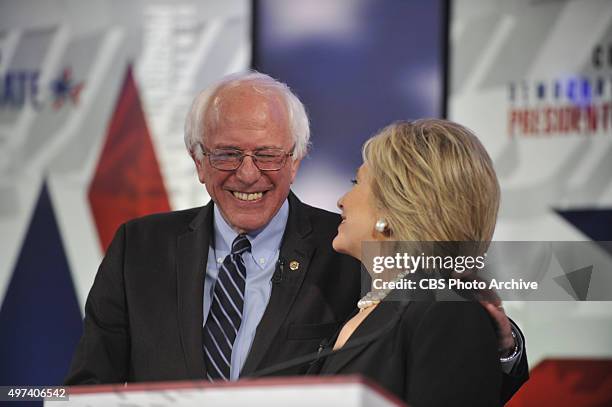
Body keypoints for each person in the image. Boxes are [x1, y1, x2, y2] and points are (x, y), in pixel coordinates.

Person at [65, 73, 525, 394]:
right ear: (197, 160)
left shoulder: (350, 252)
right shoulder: (139, 248)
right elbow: (87, 387)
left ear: (296, 158)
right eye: (227, 154)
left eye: (267, 155)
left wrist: (505, 346)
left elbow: (445, 339)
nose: (248, 175)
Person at [307, 119, 528, 405]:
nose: (341, 200)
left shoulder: (444, 310)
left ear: (395, 203)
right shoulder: (376, 303)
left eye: (356, 182)